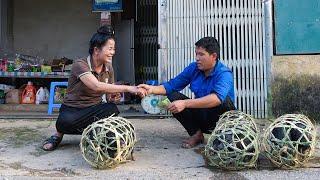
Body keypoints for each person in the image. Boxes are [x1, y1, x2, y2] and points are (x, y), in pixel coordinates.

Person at [42, 25, 146, 151]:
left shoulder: (109, 68)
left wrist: (114, 97)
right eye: (110, 49)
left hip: (93, 110)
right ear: (96, 50)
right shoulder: (80, 64)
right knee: (65, 122)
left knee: (111, 108)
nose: (113, 52)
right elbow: (96, 86)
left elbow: (109, 98)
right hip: (73, 110)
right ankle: (58, 135)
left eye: (113, 49)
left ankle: (101, 136)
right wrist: (129, 88)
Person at [139, 37, 235, 148]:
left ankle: (224, 137)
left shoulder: (224, 73)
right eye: (196, 54)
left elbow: (216, 99)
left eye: (201, 54)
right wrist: (151, 89)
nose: (197, 58)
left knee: (223, 100)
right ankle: (196, 134)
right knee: (173, 96)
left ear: (213, 56)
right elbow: (171, 85)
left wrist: (185, 103)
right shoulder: (193, 68)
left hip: (222, 120)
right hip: (203, 117)